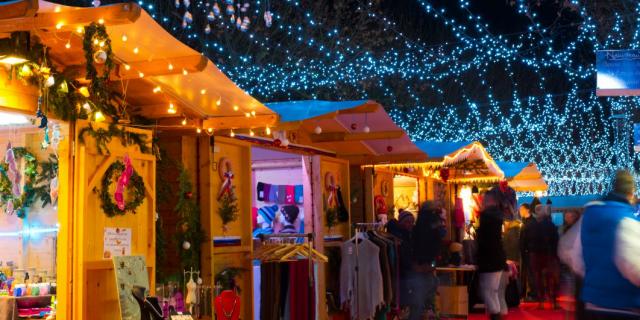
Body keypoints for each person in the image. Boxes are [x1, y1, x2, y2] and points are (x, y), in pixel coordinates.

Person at [580, 169, 640, 319]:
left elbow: (571, 254)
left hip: (592, 304)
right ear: (631, 192)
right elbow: (634, 269)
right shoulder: (626, 219)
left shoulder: (590, 215)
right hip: (623, 306)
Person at [477, 185, 515, 320]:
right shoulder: (495, 215)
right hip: (496, 259)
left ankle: (496, 316)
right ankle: (498, 316)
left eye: (485, 199)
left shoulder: (488, 216)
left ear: (490, 200)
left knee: (489, 291)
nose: (482, 201)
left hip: (490, 260)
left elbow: (486, 240)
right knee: (495, 292)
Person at [407, 202, 445, 320]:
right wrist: (433, 264)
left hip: (418, 266)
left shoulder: (418, 226)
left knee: (419, 303)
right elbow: (438, 241)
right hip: (427, 265)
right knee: (426, 301)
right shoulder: (433, 223)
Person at [525, 204, 560, 309]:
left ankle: (542, 302)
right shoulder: (551, 225)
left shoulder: (531, 225)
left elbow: (527, 239)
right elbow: (556, 240)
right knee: (551, 278)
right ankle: (553, 301)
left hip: (536, 254)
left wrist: (529, 249)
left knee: (538, 277)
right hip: (548, 254)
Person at [387, 210, 415, 309]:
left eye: (412, 222)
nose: (410, 224)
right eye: (407, 222)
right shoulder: (397, 236)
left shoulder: (409, 235)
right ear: (401, 222)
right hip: (399, 271)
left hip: (407, 271)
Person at [519, 203, 537, 300]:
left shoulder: (531, 222)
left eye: (521, 209)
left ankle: (533, 294)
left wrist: (526, 248)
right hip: (526, 251)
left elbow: (530, 238)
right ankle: (528, 293)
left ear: (527, 210)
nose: (520, 211)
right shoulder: (525, 221)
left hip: (530, 251)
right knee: (528, 273)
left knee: (531, 273)